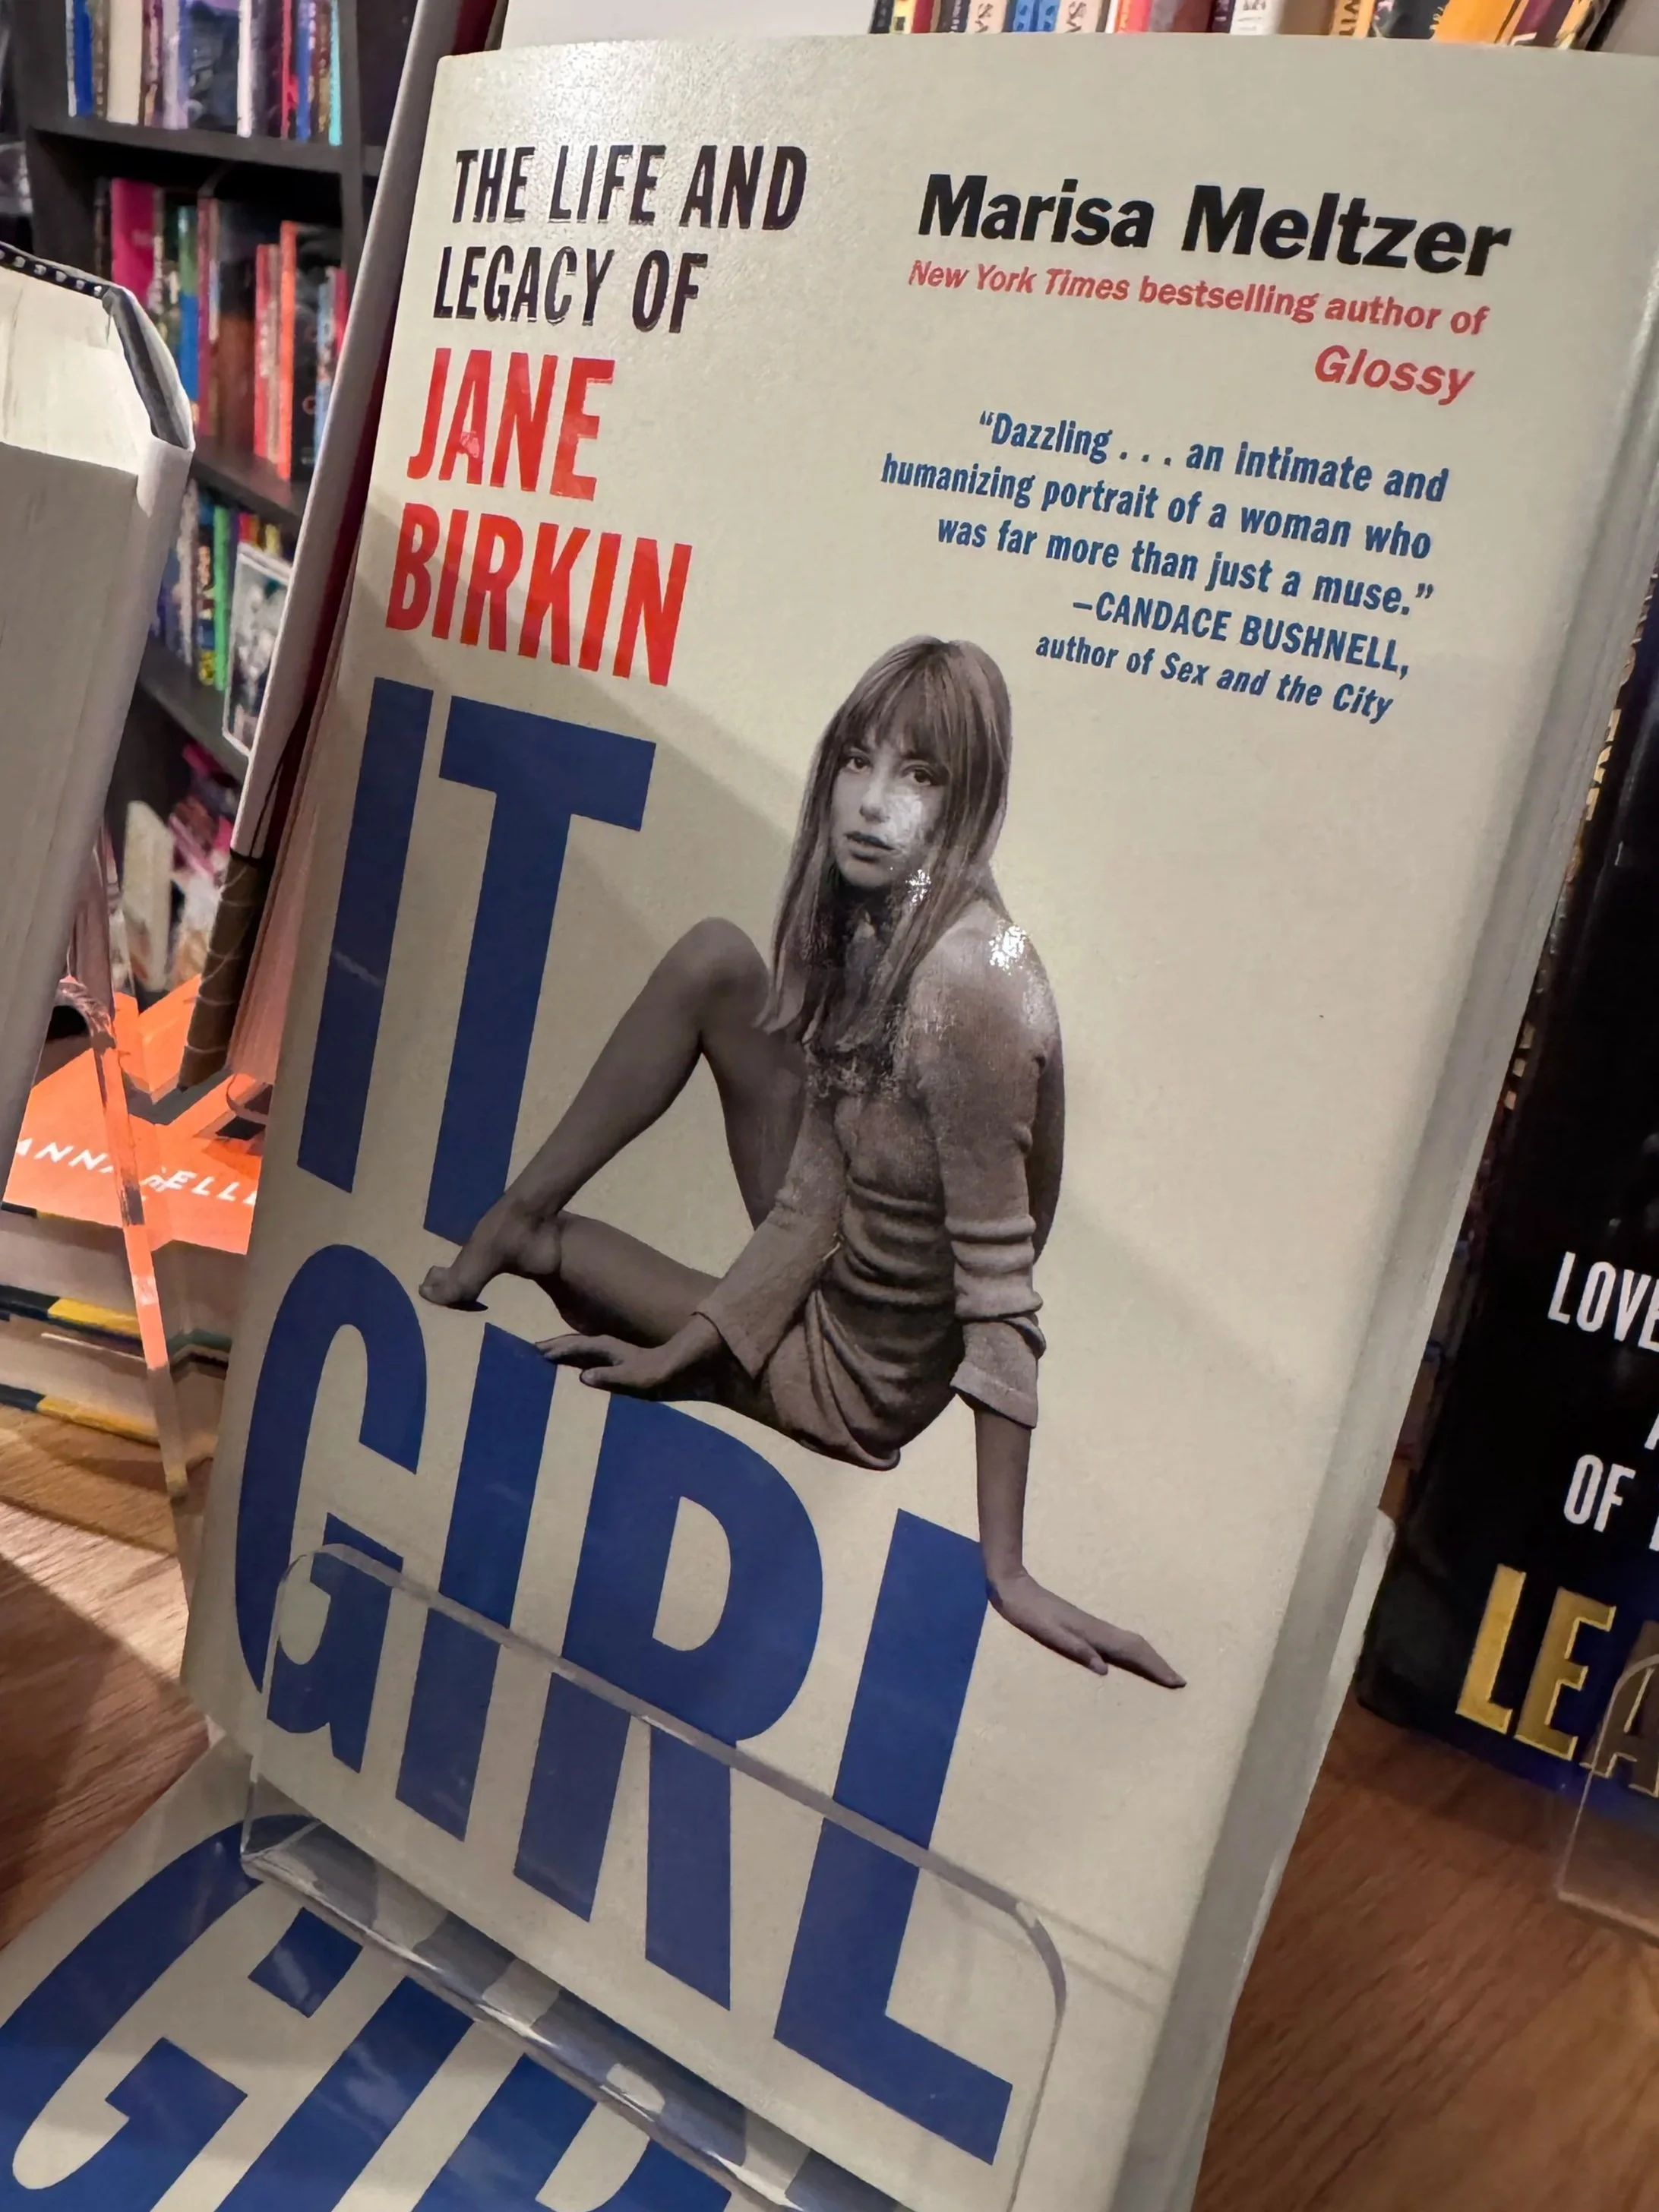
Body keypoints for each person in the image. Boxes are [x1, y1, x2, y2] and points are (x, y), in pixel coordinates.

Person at [422, 636, 1182, 1689]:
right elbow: (817, 1189)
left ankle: (524, 1231)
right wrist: (699, 1343)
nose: (872, 804)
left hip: (848, 1375)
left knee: (559, 1250)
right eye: (858, 761)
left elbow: (1000, 1296)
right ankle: (516, 1216)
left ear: (970, 800)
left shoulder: (970, 990)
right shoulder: (885, 923)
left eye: (920, 776)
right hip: (835, 1256)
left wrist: (1007, 1570)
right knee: (721, 961)